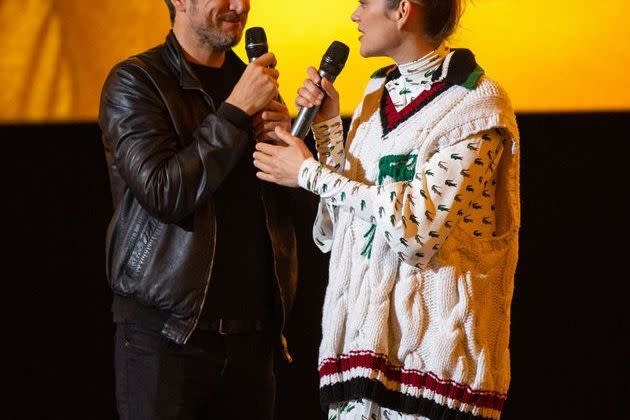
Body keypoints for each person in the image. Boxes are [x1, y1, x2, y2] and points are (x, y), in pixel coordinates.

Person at [253, 0, 520, 419]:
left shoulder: (476, 104)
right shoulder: (377, 91)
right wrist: (326, 130)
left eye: (363, 3)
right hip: (362, 363)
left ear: (402, 10)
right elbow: (335, 233)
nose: (355, 15)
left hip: (431, 375)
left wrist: (309, 174)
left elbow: (415, 233)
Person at [98, 0, 298, 418]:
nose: (239, 6)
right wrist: (232, 114)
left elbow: (283, 212)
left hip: (253, 342)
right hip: (166, 339)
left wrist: (291, 146)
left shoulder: (254, 85)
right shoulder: (137, 81)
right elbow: (164, 192)